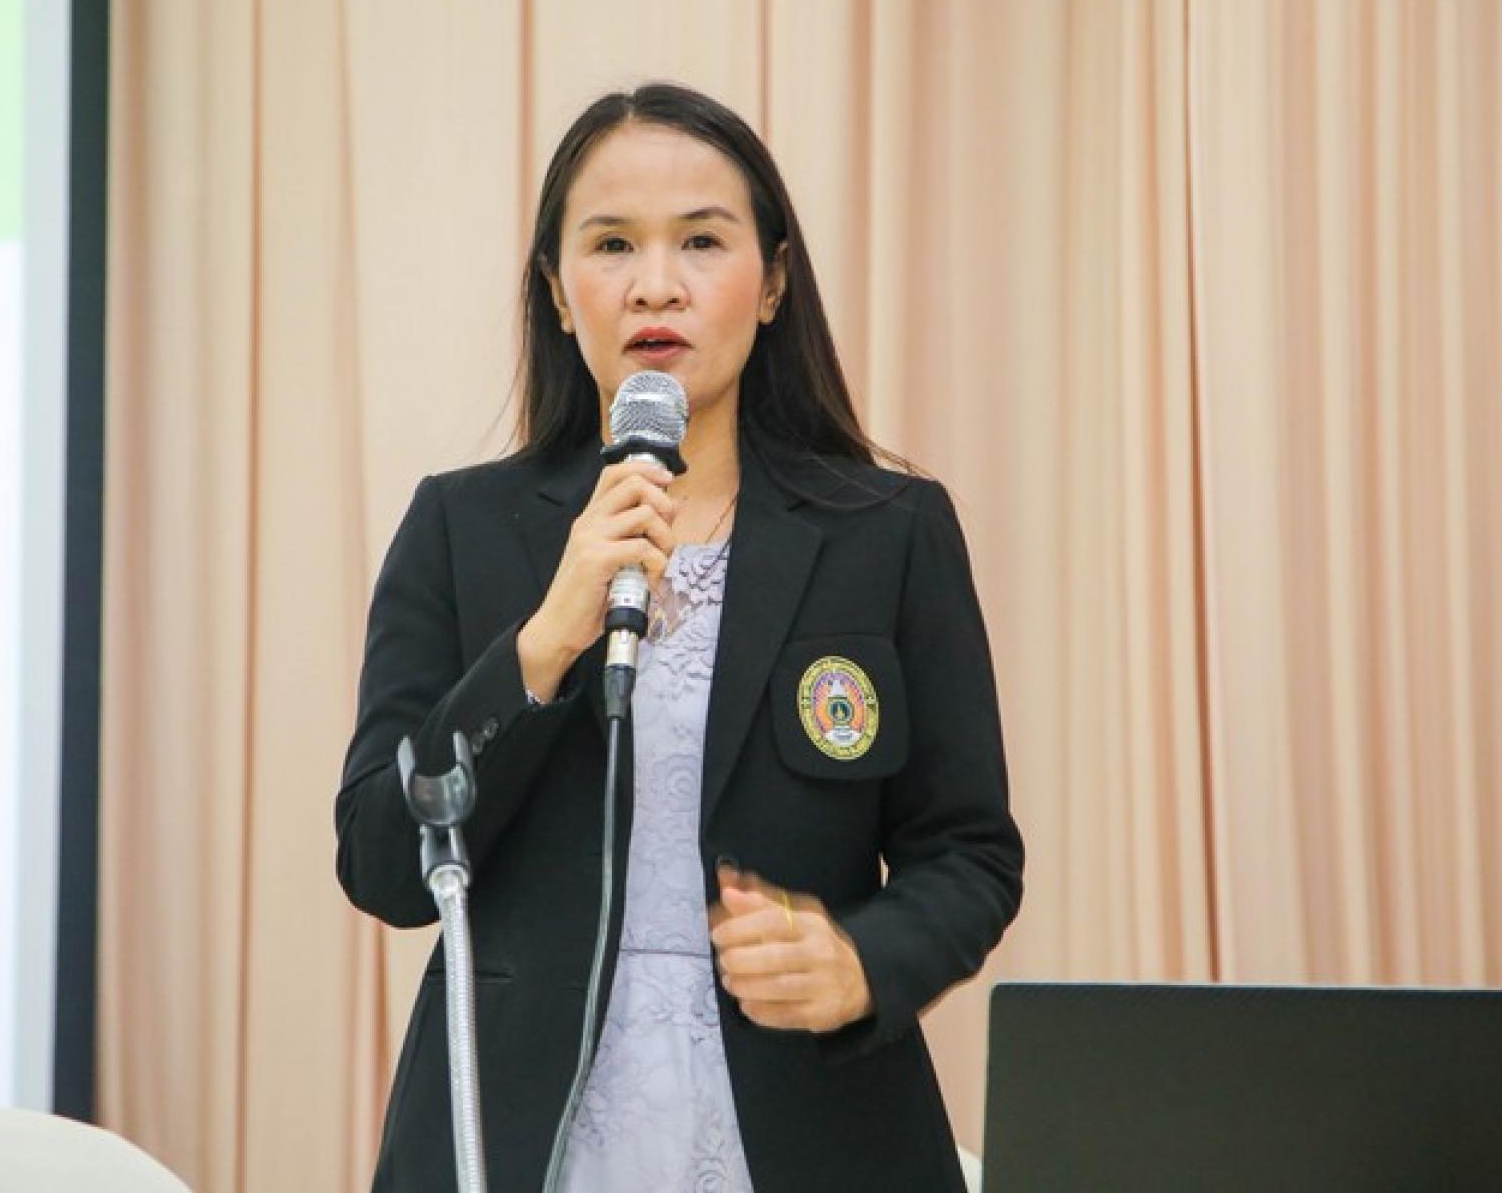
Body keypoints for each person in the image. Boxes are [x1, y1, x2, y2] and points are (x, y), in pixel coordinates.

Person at [336, 82, 1023, 1191]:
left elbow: (971, 853)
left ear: (774, 281)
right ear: (559, 294)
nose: (656, 283)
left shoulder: (888, 532)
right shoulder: (462, 527)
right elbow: (383, 862)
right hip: (520, 1137)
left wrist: (860, 963)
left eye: (702, 240)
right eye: (611, 244)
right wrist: (542, 643)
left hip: (812, 1129)